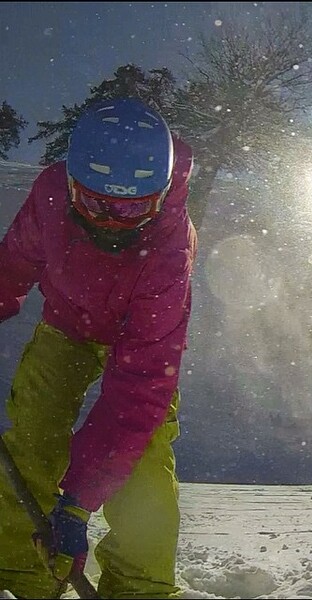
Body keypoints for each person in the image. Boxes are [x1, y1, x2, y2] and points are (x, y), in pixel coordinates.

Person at [0, 97, 198, 599]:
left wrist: (77, 503)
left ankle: (139, 588)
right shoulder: (49, 196)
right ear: (70, 184)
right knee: (34, 438)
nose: (114, 220)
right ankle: (21, 575)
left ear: (160, 194)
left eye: (134, 207)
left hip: (137, 348)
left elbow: (138, 392)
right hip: (64, 327)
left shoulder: (170, 252)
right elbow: (14, 264)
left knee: (142, 463)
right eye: (97, 203)